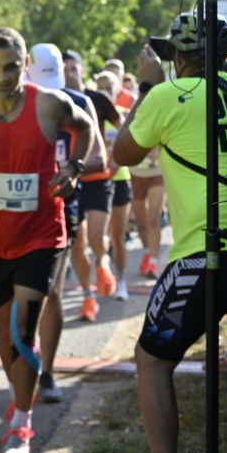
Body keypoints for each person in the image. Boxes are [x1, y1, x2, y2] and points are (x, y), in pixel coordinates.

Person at [113, 11, 227, 453]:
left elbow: (123, 153)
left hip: (202, 252)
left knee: (153, 360)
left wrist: (146, 88)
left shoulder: (166, 95)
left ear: (178, 56)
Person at [0, 28, 92, 453]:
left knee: (23, 332)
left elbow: (86, 126)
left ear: (25, 65)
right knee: (4, 334)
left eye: (11, 67)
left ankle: (22, 424)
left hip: (42, 234)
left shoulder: (48, 103)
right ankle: (20, 393)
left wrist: (74, 167)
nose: (2, 77)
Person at [26, 43, 107, 403]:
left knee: (51, 291)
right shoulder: (15, 100)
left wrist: (70, 168)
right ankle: (22, 365)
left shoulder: (79, 101)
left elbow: (100, 158)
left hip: (61, 206)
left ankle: (45, 372)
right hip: (17, 206)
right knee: (17, 296)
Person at [63, 49, 122, 321]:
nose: (69, 74)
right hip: (71, 182)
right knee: (77, 244)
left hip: (99, 179)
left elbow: (122, 126)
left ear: (82, 71)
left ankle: (101, 261)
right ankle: (88, 297)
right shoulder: (53, 99)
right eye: (64, 69)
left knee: (97, 237)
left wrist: (115, 159)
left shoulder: (96, 99)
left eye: (73, 68)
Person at [96, 70, 133, 301]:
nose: (105, 93)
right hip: (98, 181)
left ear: (117, 90)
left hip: (119, 180)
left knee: (118, 236)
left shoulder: (123, 115)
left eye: (109, 88)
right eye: (100, 88)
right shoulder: (91, 113)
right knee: (97, 236)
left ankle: (121, 281)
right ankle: (103, 269)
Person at [130, 144, 164, 279]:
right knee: (141, 223)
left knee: (154, 218)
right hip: (136, 173)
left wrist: (156, 150)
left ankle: (153, 263)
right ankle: (147, 252)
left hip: (157, 172)